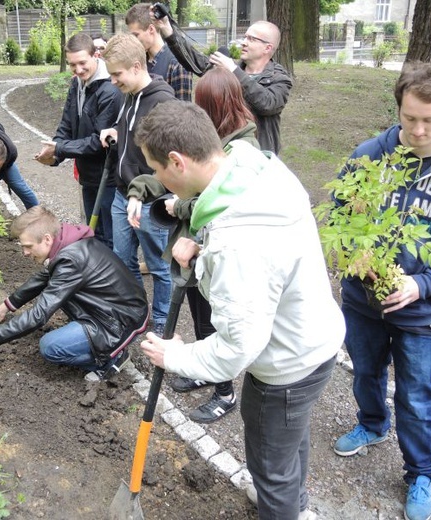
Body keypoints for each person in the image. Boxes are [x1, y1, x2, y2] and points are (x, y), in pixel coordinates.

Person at [135, 100, 345, 519]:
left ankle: (283, 505)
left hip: (286, 365)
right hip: (315, 338)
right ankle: (295, 503)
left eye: (157, 170)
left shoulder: (239, 245)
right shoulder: (250, 165)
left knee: (271, 466)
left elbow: (237, 348)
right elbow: (231, 231)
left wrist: (174, 356)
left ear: (177, 161)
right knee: (289, 441)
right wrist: (203, 243)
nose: (157, 179)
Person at [331, 63, 431, 520]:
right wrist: (352, 246)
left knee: (418, 395)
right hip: (362, 301)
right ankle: (372, 425)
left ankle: (421, 472)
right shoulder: (367, 157)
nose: (417, 129)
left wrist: (422, 283)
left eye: (429, 120)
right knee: (365, 371)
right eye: (409, 117)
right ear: (398, 108)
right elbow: (338, 216)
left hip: (422, 312)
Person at [163, 68, 259, 423]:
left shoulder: (241, 146)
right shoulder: (219, 138)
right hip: (196, 243)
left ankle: (225, 392)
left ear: (215, 105)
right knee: (201, 317)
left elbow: (219, 201)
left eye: (200, 103)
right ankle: (207, 372)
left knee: (216, 323)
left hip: (212, 247)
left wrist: (179, 206)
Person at [0, 206, 149, 381]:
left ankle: (110, 361)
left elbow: (38, 316)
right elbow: (42, 278)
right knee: (57, 299)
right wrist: (5, 307)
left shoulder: (71, 260)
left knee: (50, 347)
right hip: (115, 309)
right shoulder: (67, 242)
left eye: (28, 246)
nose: (24, 252)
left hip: (120, 321)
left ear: (47, 238)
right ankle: (101, 347)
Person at [99, 33, 176, 336]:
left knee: (159, 266)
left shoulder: (163, 103)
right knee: (123, 261)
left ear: (135, 66)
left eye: (117, 74)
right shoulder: (127, 96)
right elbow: (134, 135)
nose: (113, 81)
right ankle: (137, 313)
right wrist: (117, 132)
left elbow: (170, 164)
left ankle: (161, 321)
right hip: (122, 195)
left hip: (151, 201)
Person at [152, 14, 291, 154]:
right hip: (224, 149)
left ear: (267, 48)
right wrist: (169, 31)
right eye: (245, 37)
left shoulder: (279, 78)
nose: (244, 42)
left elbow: (267, 104)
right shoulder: (233, 68)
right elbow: (197, 63)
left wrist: (233, 70)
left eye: (251, 39)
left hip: (259, 155)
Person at [34, 33, 122, 248]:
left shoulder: (109, 89)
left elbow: (97, 142)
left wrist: (61, 148)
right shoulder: (77, 84)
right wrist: (53, 152)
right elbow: (67, 124)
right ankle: (98, 275)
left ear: (96, 55)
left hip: (108, 177)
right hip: (88, 175)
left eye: (82, 63)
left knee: (108, 236)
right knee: (93, 232)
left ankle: (112, 278)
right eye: (72, 65)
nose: (78, 69)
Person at [125, 3, 192, 102]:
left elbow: (183, 111)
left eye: (136, 35)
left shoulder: (177, 63)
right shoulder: (139, 62)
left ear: (151, 29)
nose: (133, 41)